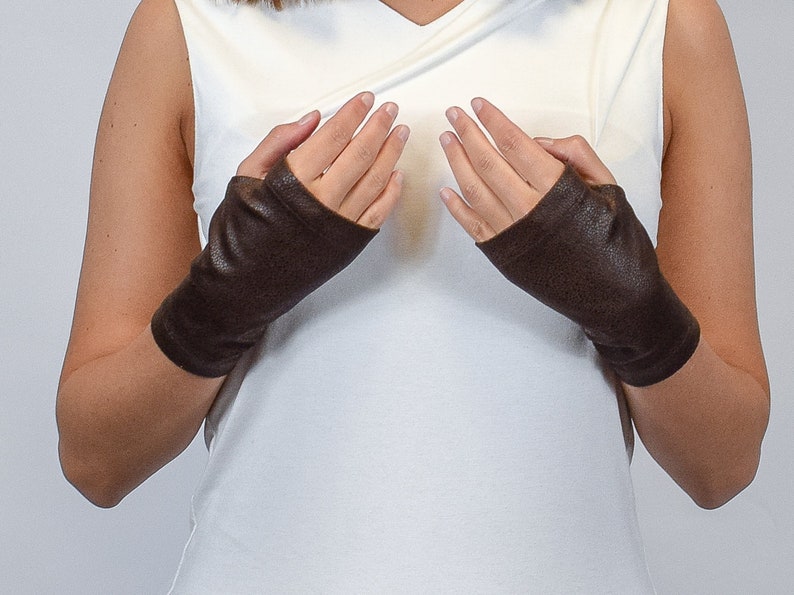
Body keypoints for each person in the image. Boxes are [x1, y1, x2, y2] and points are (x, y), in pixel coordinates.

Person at [57, 0, 770, 591]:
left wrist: (629, 309)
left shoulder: (663, 21)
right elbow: (97, 460)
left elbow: (722, 464)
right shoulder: (190, 21)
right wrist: (226, 297)